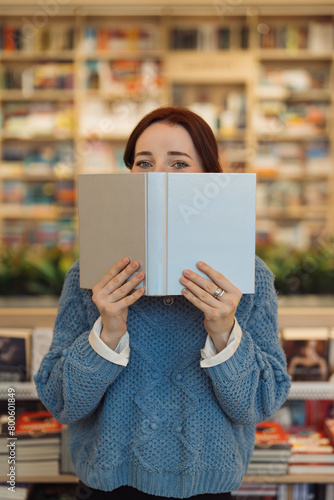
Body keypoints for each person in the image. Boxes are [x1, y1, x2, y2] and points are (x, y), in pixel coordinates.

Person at [34, 107, 291, 500]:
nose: (158, 177)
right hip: (107, 489)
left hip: (208, 490)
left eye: (179, 163)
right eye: (144, 163)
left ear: (209, 178)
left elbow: (258, 404)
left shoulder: (249, 277)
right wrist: (107, 332)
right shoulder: (90, 275)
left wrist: (224, 334)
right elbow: (61, 402)